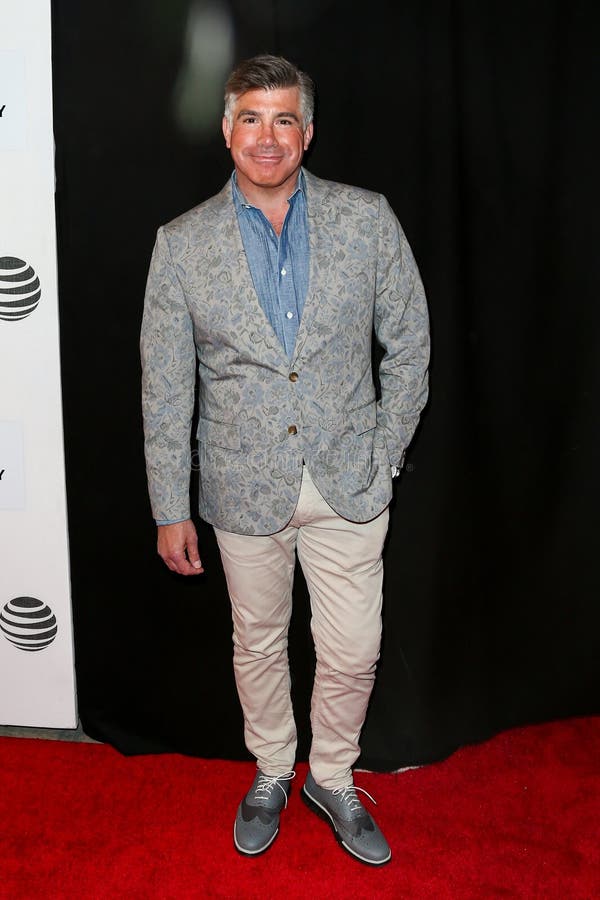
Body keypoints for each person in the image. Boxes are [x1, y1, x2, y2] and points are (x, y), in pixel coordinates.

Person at [140, 53, 430, 867]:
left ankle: (332, 774)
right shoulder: (182, 244)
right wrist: (171, 505)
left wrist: (384, 453)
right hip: (240, 487)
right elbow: (165, 387)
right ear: (226, 131)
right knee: (257, 641)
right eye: (251, 119)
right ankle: (272, 767)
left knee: (353, 648)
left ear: (307, 132)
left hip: (350, 483)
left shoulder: (367, 220)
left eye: (284, 119)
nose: (268, 137)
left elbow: (410, 345)